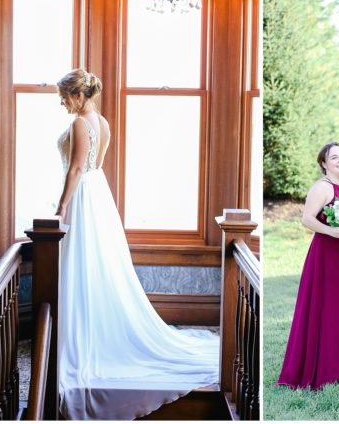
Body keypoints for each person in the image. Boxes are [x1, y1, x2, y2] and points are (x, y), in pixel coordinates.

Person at [53, 69, 218, 420]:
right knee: (95, 265)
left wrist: (61, 206)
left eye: (64, 96)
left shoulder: (81, 124)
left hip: (84, 197)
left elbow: (78, 167)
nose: (62, 102)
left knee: (83, 263)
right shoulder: (104, 123)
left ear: (78, 96)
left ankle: (89, 337)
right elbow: (96, 165)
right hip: (99, 197)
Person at [277, 142, 339, 390]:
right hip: (327, 255)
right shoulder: (322, 187)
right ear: (324, 163)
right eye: (334, 157)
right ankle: (322, 370)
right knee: (327, 309)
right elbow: (306, 219)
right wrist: (332, 231)